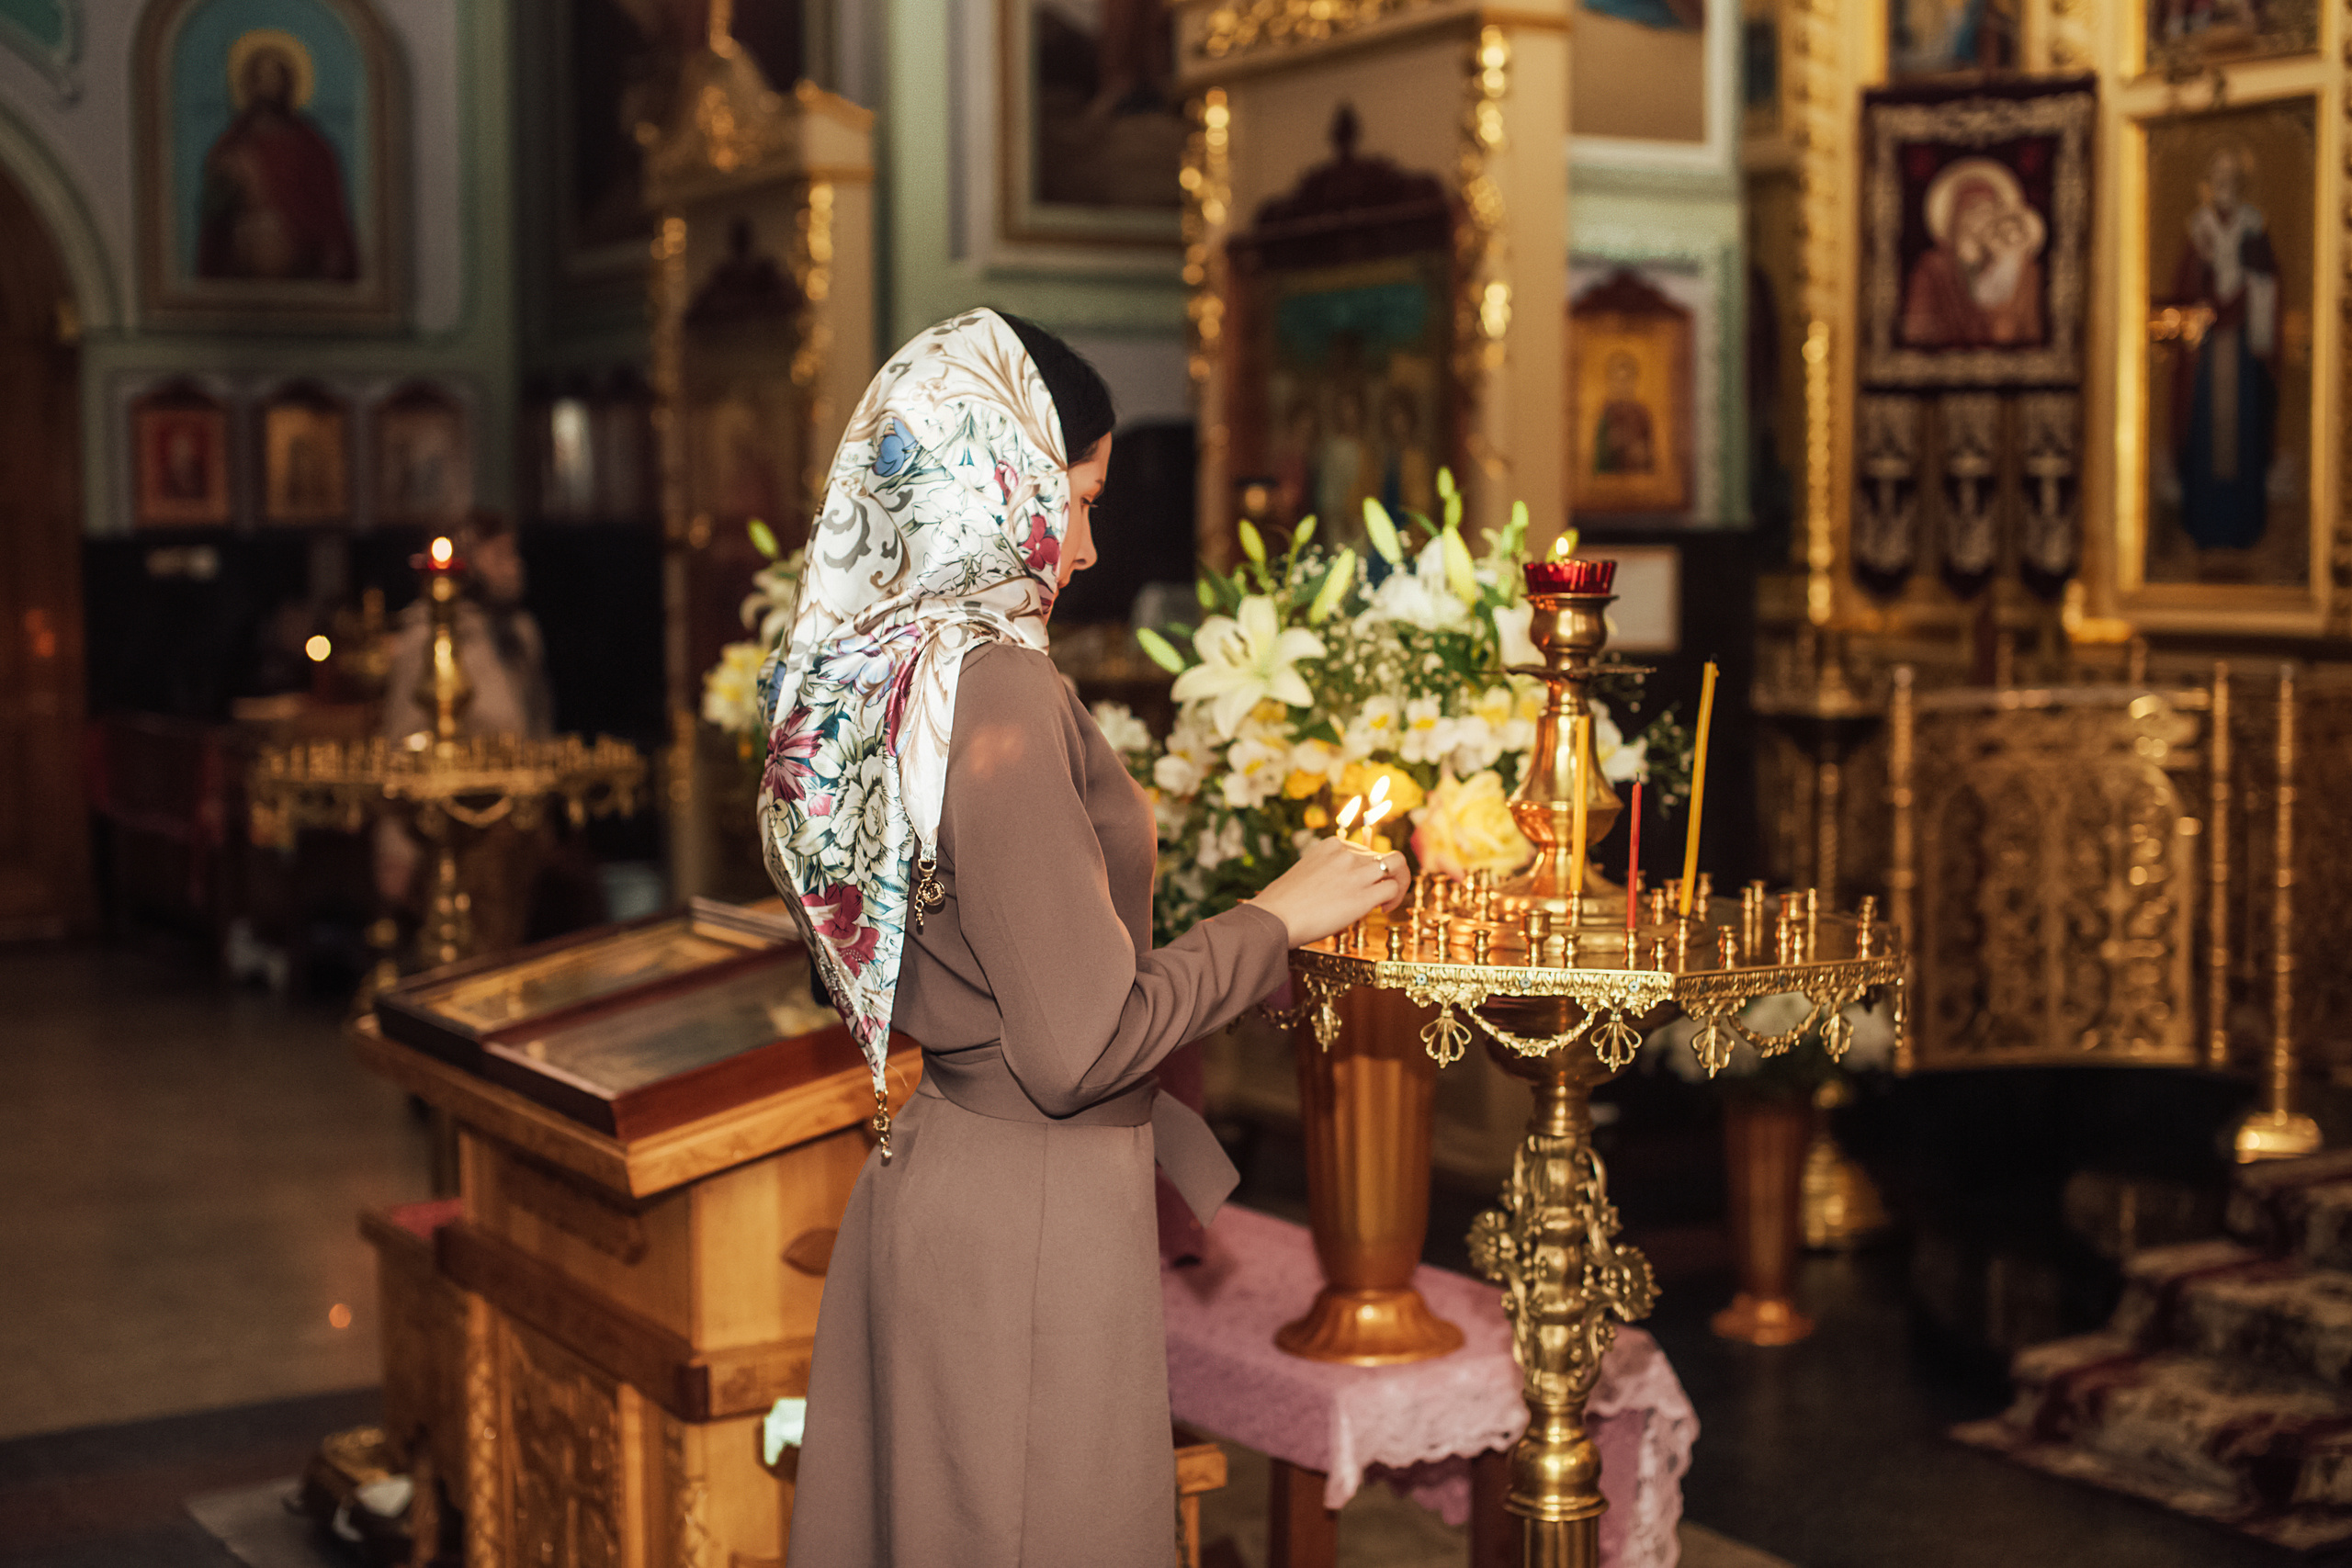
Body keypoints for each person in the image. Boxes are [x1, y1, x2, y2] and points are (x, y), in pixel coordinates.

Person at [768, 310, 1408, 1566]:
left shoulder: (884, 666)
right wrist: (1279, 913)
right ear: (992, 473)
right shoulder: (996, 685)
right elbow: (1079, 1044)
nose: (1092, 545)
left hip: (958, 1168)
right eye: (1080, 496)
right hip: (1030, 1218)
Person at [2160, 142, 2280, 551]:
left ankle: (2244, 525)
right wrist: (2203, 290)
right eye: (2219, 176)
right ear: (2209, 183)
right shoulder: (2198, 231)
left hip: (2244, 354)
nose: (2225, 184)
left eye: (2233, 176)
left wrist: (2252, 289)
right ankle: (2203, 523)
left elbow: (2269, 283)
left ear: (2242, 183)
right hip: (2206, 357)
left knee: (2243, 431)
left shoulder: (2253, 227)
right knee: (2205, 434)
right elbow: (2183, 293)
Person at [198, 39, 359, 281]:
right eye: (261, 78)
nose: (269, 86)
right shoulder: (234, 142)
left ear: (287, 84)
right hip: (243, 257)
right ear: (250, 85)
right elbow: (215, 209)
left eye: (275, 78)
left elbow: (326, 207)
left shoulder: (309, 144)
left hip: (299, 256)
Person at [1898, 157, 2045, 349]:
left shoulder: (2023, 270)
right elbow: (1916, 332)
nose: (1982, 220)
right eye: (1973, 210)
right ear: (1956, 216)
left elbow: (2030, 337)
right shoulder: (1932, 267)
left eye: (1989, 211)